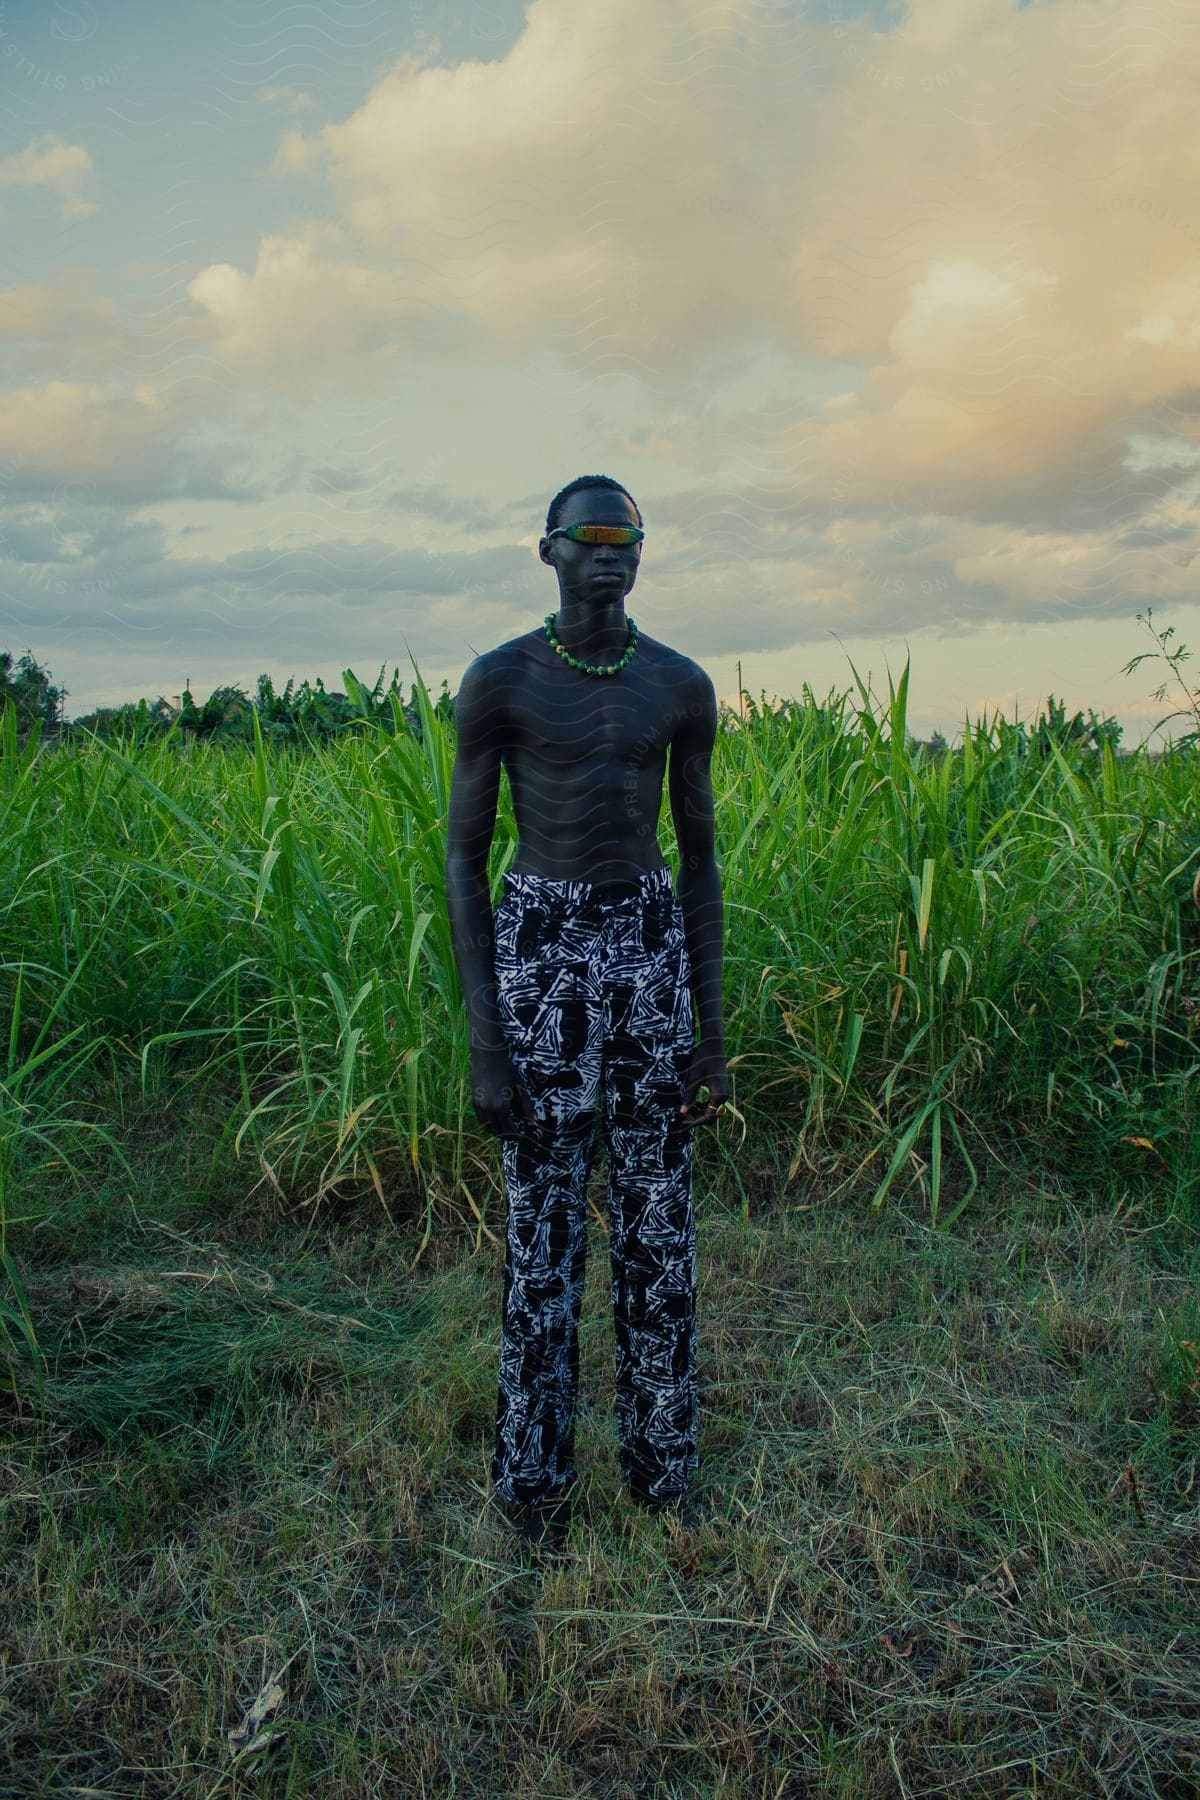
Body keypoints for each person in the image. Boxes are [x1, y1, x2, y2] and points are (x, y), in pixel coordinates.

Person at [444, 474, 729, 1554]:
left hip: (648, 941)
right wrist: (487, 1041)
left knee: (660, 1220)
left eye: (627, 537)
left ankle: (662, 1471)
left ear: (642, 554)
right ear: (549, 552)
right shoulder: (502, 682)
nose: (609, 553)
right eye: (589, 537)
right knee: (543, 1225)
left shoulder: (679, 685)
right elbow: (465, 863)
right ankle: (532, 1480)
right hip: (542, 951)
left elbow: (700, 864)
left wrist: (710, 1031)